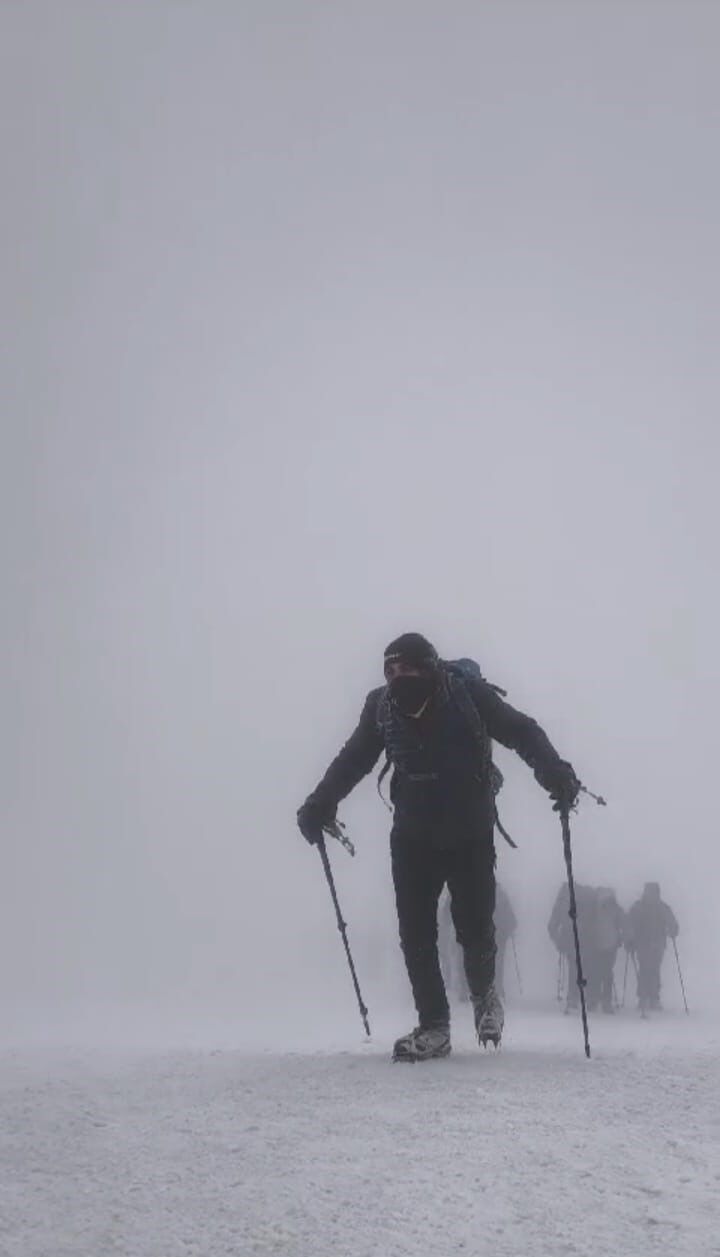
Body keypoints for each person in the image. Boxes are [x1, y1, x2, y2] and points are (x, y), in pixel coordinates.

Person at [297, 632, 580, 1061]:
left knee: (474, 928)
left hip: (470, 832)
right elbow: (354, 758)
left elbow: (520, 731)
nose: (398, 678)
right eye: (391, 671)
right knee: (416, 933)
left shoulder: (469, 696)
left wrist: (555, 773)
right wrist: (320, 803)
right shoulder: (381, 708)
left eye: (407, 668)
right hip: (412, 834)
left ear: (430, 667)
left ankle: (485, 996)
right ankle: (434, 1026)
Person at [625, 882, 679, 1013]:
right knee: (648, 969)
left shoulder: (641, 906)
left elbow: (672, 922)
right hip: (647, 944)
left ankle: (647, 997)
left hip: (651, 944)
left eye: (653, 892)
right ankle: (650, 997)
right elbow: (630, 924)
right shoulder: (659, 907)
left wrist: (673, 929)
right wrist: (673, 930)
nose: (651, 895)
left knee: (650, 969)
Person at [548, 881, 595, 1011]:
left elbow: (553, 923)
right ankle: (585, 995)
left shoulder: (562, 900)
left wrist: (557, 939)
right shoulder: (586, 898)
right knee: (584, 967)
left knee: (574, 968)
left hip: (570, 938)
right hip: (585, 938)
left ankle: (573, 996)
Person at [585, 887, 625, 1013]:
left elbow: (586, 924)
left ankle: (594, 999)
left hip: (597, 944)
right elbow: (624, 924)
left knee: (596, 972)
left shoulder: (593, 908)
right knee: (605, 973)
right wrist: (624, 938)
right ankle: (604, 1001)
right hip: (608, 945)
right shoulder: (615, 909)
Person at [494, 883, 518, 1000]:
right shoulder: (503, 897)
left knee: (487, 961)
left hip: (489, 935)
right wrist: (510, 929)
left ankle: (490, 988)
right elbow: (512, 919)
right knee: (499, 963)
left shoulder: (484, 896)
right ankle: (498, 988)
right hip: (501, 936)